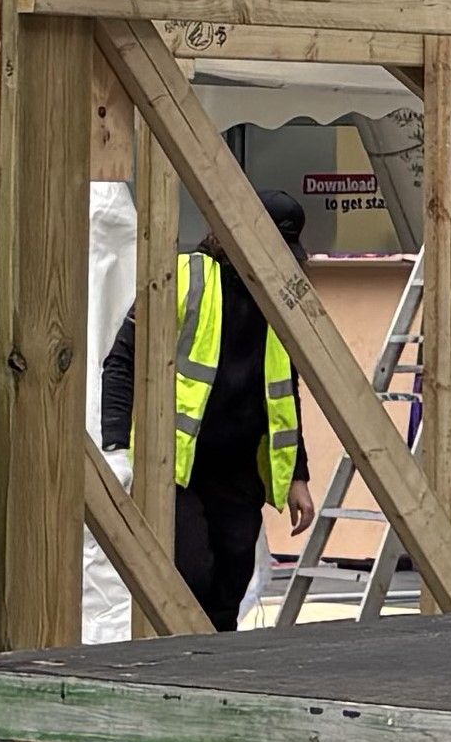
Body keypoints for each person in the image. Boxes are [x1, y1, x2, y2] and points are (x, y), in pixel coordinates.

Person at [99, 228, 302, 627]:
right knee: (189, 576)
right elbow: (122, 361)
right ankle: (180, 667)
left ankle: (211, 674)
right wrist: (116, 445)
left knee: (232, 582)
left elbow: (285, 394)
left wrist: (298, 475)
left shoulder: (281, 300)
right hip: (178, 467)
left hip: (240, 470)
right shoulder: (182, 278)